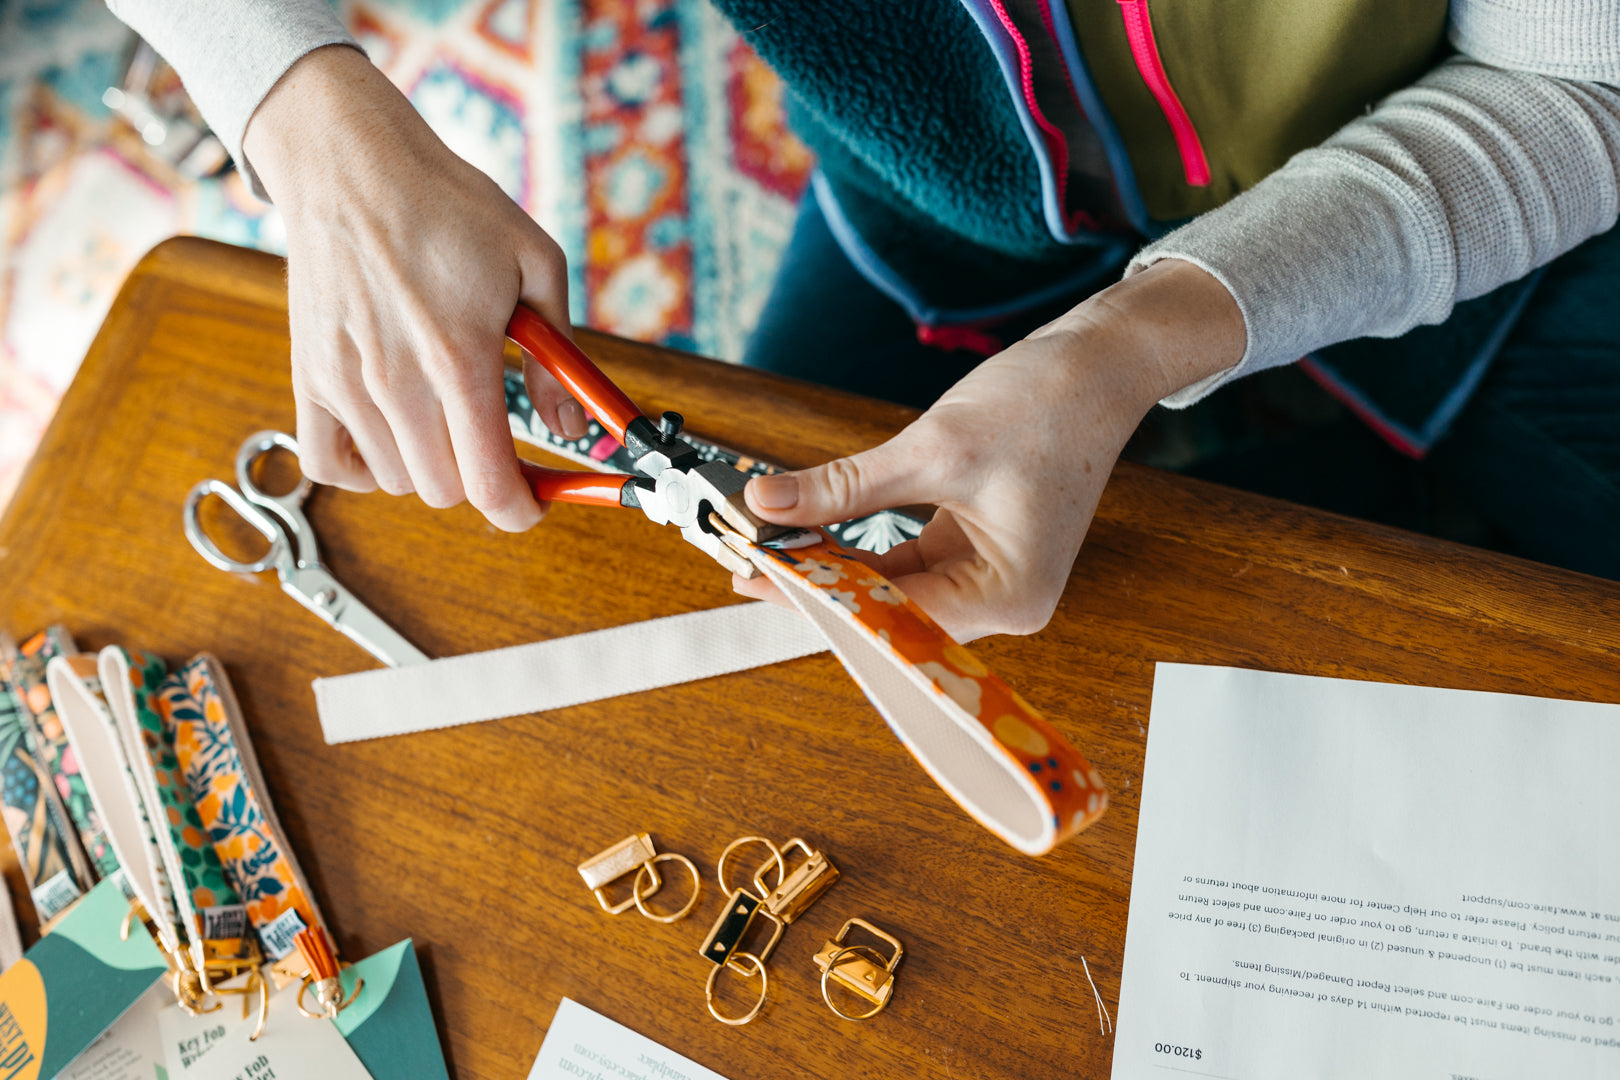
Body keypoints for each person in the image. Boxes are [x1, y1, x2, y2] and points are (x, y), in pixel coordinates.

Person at [109, 2, 1620, 641]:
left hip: (1477, 202)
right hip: (945, 219)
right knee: (778, 646)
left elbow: (1569, 86)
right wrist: (302, 111)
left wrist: (1133, 344)